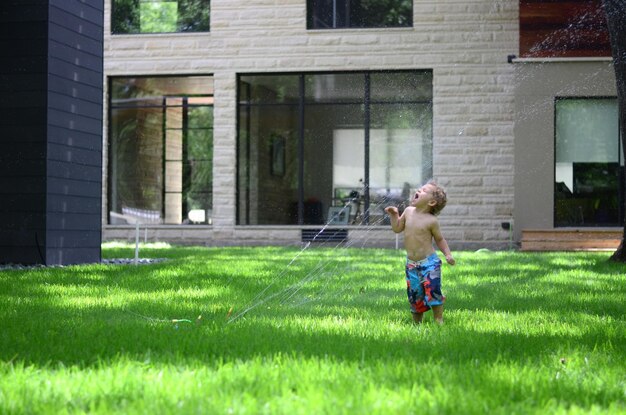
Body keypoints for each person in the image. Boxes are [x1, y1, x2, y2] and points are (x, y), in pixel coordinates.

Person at [384, 180, 455, 325]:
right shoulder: (409, 211)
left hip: (429, 263)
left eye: (423, 191)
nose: (418, 190)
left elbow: (440, 239)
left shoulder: (431, 221)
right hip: (411, 265)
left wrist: (448, 254)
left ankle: (438, 319)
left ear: (432, 202)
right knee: (415, 294)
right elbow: (397, 228)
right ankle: (417, 324)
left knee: (433, 290)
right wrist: (394, 215)